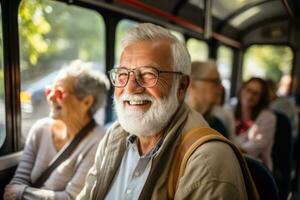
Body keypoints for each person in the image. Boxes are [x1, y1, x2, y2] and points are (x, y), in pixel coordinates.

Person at [77, 23, 251, 200]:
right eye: (123, 74)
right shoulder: (115, 136)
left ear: (182, 86)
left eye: (147, 74)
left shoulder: (207, 161)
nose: (130, 87)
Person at [4, 61, 110, 200]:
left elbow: (71, 197)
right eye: (49, 90)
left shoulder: (99, 141)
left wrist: (21, 193)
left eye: (59, 92)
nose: (50, 97)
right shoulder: (40, 129)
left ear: (86, 102)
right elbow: (17, 182)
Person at [232, 77, 276, 171]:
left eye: (255, 93)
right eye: (248, 90)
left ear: (261, 98)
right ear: (242, 90)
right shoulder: (229, 110)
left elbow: (255, 147)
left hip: (256, 168)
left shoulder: (268, 118)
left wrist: (230, 147)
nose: (250, 95)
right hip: (231, 162)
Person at [186, 60, 234, 138]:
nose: (221, 87)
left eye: (220, 81)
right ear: (191, 84)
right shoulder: (177, 122)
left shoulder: (217, 124)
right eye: (215, 81)